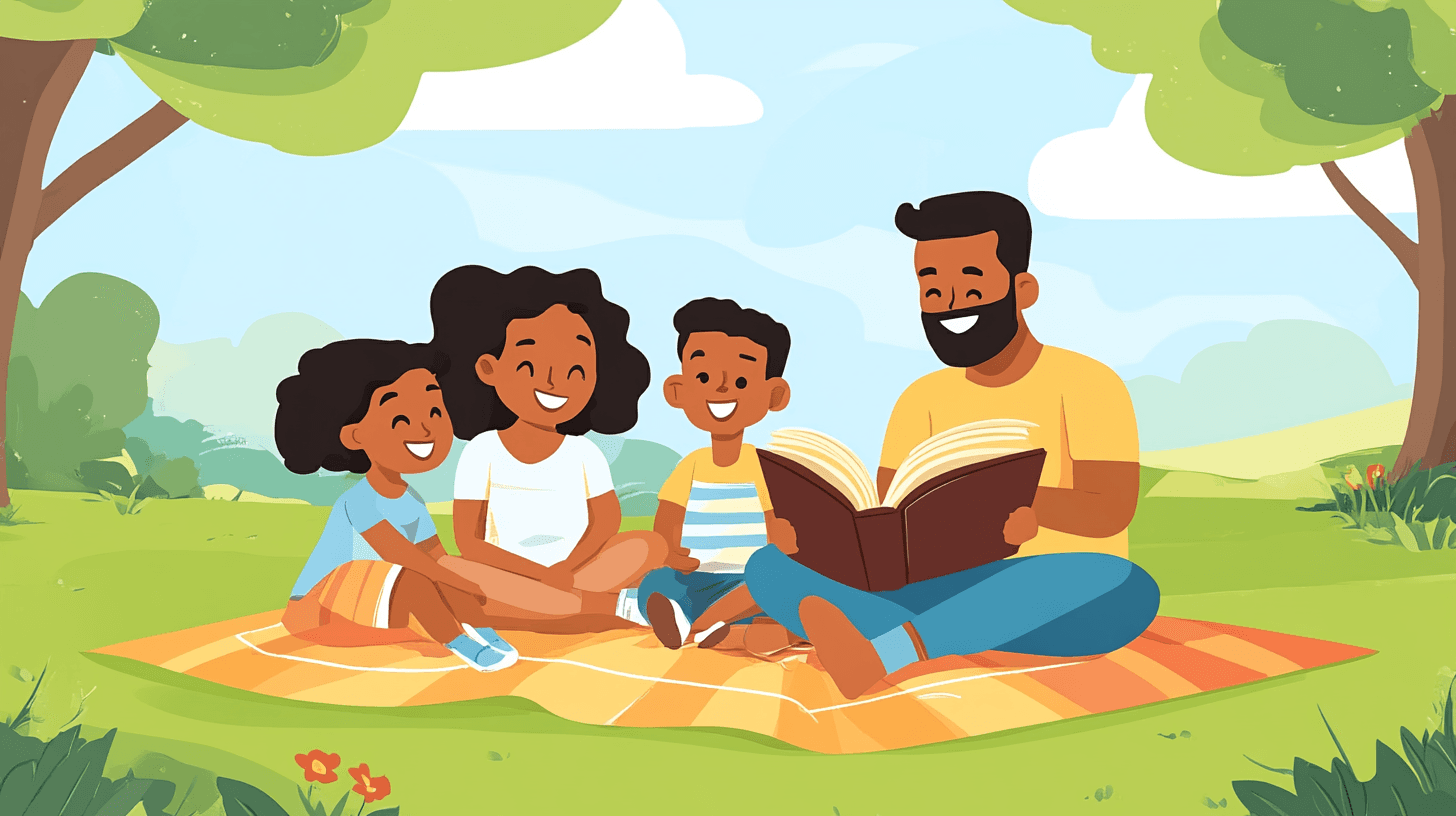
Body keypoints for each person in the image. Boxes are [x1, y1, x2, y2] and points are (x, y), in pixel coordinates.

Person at [744, 191, 1161, 698]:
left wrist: (1029, 503)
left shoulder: (1088, 383)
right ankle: (908, 635)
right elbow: (883, 519)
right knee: (767, 567)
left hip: (1055, 588)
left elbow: (1111, 510)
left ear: (1022, 288)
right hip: (934, 592)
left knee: (1124, 587)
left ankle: (881, 647)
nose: (949, 301)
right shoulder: (921, 398)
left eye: (970, 281)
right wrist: (812, 541)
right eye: (931, 286)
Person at [430, 264, 668, 632]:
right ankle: (610, 608)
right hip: (510, 574)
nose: (556, 381)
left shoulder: (584, 452)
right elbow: (469, 543)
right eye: (532, 363)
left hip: (579, 571)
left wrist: (566, 570)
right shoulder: (482, 450)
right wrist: (539, 575)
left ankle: (555, 608)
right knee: (448, 570)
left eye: (576, 369)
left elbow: (606, 522)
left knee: (648, 545)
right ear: (489, 368)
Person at [276, 339, 516, 672]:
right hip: (315, 611)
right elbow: (401, 555)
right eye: (402, 418)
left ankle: (484, 632)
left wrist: (460, 582)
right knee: (418, 578)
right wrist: (458, 582)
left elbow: (436, 556)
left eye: (434, 411)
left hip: (363, 599)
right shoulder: (358, 500)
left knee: (445, 572)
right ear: (355, 436)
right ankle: (461, 645)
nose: (425, 427)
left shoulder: (411, 498)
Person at [637, 298, 800, 651]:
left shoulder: (764, 466)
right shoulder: (691, 465)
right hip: (696, 579)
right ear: (678, 391)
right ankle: (712, 623)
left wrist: (781, 550)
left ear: (774, 395)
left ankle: (712, 623)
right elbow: (668, 520)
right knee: (655, 583)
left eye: (741, 379)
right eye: (704, 377)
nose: (722, 388)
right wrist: (672, 555)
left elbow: (776, 525)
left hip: (751, 582)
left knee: (780, 581)